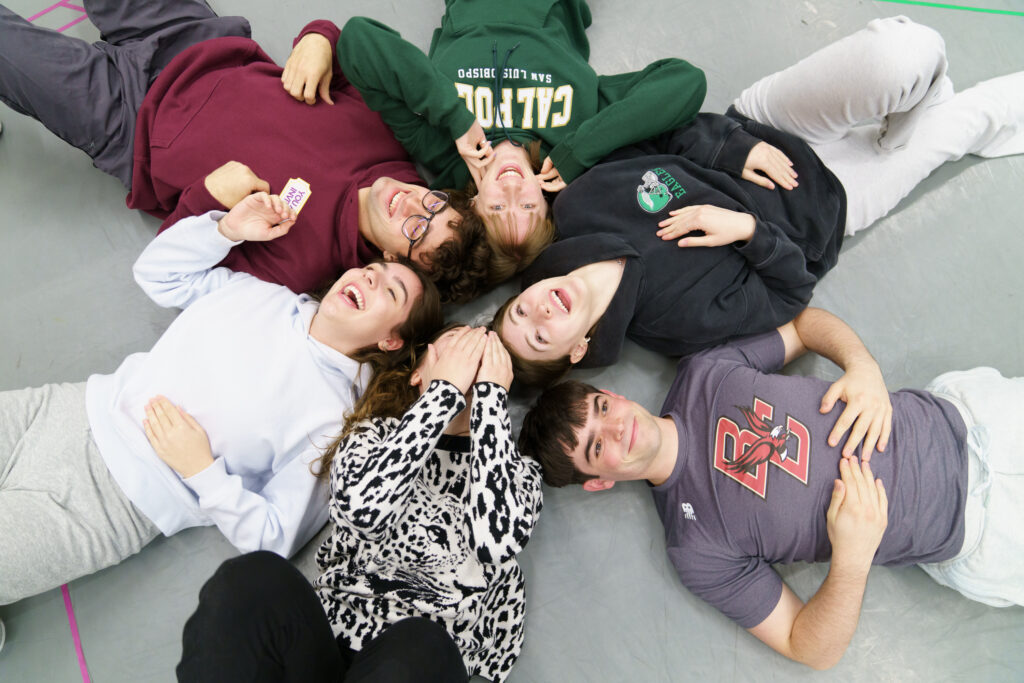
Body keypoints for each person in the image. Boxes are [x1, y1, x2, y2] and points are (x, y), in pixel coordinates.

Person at [492, 16, 1024, 385]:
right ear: (577, 350)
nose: (540, 311)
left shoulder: (578, 207)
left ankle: (917, 107)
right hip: (831, 204)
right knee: (986, 115)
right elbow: (791, 292)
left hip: (766, 125)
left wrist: (731, 148)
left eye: (520, 310)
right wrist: (748, 232)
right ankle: (916, 124)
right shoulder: (672, 325)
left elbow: (664, 132)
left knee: (909, 52)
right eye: (540, 337)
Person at [518, 307, 1023, 669]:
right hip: (984, 531)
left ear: (612, 394)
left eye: (602, 409)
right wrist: (853, 558)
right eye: (595, 447)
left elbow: (804, 326)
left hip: (972, 417)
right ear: (599, 481)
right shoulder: (695, 550)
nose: (616, 429)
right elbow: (809, 647)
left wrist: (861, 365)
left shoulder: (703, 371)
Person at [0, 193, 444, 605]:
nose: (370, 277)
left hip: (109, 504)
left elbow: (274, 537)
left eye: (391, 292)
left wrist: (202, 471)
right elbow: (155, 273)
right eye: (373, 270)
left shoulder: (337, 420)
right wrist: (225, 230)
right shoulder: (264, 294)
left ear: (391, 341)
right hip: (61, 411)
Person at [0, 1, 488, 301]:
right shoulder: (393, 148)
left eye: (416, 230)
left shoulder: (299, 269)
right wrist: (319, 38)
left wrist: (212, 198)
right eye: (434, 205)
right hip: (195, 39)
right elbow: (343, 58)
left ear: (393, 257)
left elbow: (175, 258)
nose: (413, 204)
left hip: (125, 120)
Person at [177, 326, 543, 682]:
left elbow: (496, 542)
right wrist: (444, 394)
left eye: (486, 360)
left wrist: (490, 402)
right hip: (327, 641)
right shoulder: (373, 436)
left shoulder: (518, 475)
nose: (471, 359)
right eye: (458, 346)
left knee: (422, 644)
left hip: (423, 658)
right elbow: (363, 512)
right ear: (418, 374)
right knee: (253, 577)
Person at [281, 0, 705, 283]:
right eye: (529, 207)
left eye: (498, 208)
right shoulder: (572, 141)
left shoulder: (444, 152)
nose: (513, 190)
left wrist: (455, 118)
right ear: (546, 201)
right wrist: (580, 150)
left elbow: (359, 40)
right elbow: (685, 81)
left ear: (473, 204)